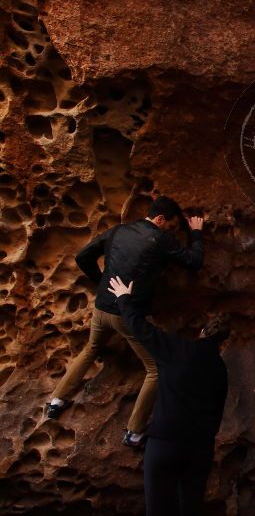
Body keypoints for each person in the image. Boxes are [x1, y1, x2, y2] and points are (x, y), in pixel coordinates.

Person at [45, 196, 204, 449]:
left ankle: (56, 401)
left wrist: (102, 283)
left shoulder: (119, 230)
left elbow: (83, 256)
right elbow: (194, 262)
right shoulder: (160, 239)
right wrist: (196, 233)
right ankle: (134, 432)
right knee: (156, 369)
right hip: (127, 316)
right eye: (172, 226)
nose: (173, 231)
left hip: (101, 308)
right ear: (160, 219)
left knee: (91, 348)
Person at [107, 276, 229, 516]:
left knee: (158, 508)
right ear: (222, 342)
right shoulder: (220, 369)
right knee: (190, 508)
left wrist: (124, 299)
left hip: (164, 442)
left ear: (202, 331)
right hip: (199, 448)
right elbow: (217, 413)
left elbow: (141, 328)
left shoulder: (177, 349)